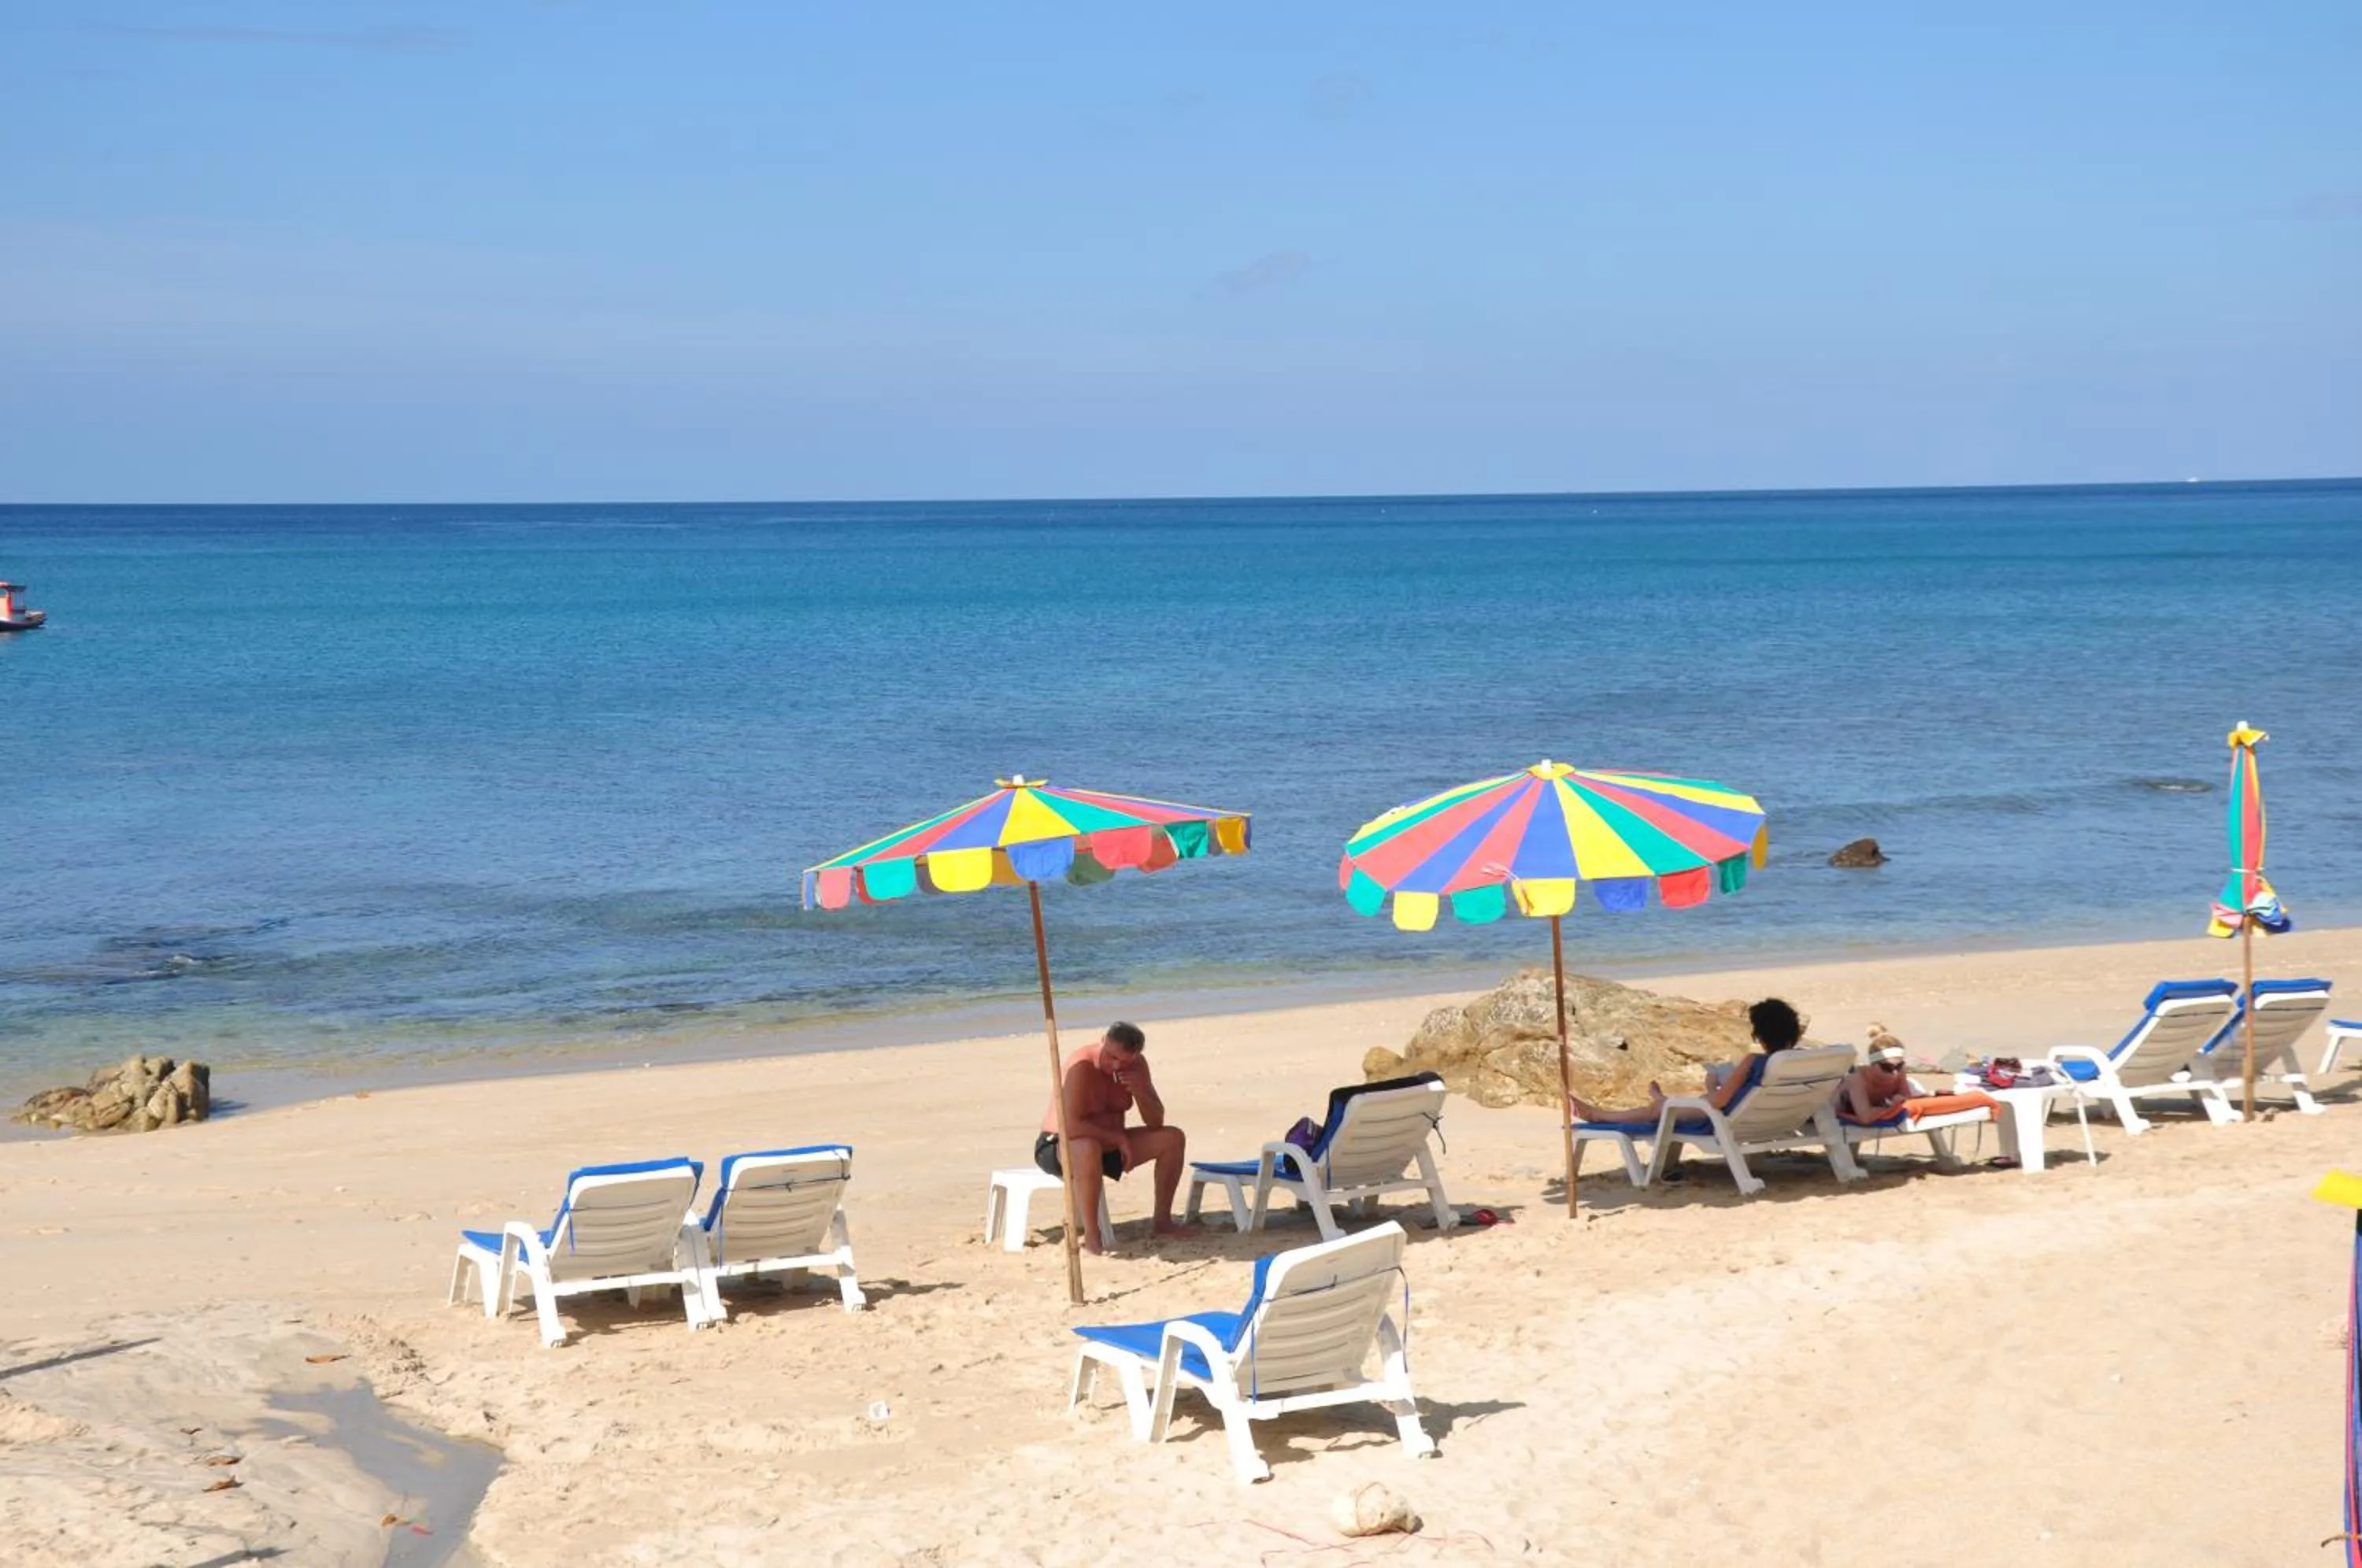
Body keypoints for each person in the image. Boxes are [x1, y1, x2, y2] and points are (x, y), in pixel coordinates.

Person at [1034, 1021, 1191, 1253]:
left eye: (1124, 1062)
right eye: (1111, 1057)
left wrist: (1141, 1091)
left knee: (1173, 1138)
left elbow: (1156, 1122)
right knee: (1087, 1147)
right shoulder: (1083, 1066)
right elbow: (1070, 1126)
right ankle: (1092, 1232)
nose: (1115, 1065)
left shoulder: (1137, 1067)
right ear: (1103, 1042)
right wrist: (1118, 1139)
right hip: (1061, 1145)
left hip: (1110, 1147)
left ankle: (1162, 1221)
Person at [1567, 997, 1806, 1125]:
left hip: (1724, 1117)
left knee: (1659, 1111)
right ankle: (1663, 1100)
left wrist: (1712, 1083)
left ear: (1760, 1036)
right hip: (1772, 1119)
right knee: (1676, 1105)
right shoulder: (1801, 1062)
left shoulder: (1753, 1062)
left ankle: (1601, 1116)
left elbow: (1718, 1103)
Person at [1838, 1026, 1914, 1123]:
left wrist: (1901, 1102)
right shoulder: (1857, 1079)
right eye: (1887, 1068)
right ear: (1873, 1065)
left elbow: (1910, 1103)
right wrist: (1894, 1106)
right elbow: (1866, 1117)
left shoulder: (1899, 1073)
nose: (1895, 1073)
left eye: (1899, 1066)